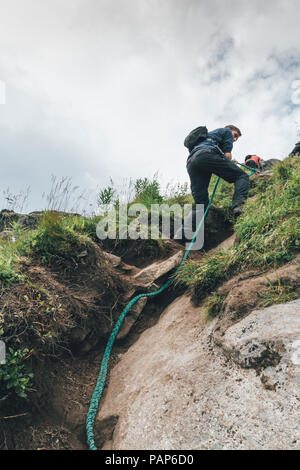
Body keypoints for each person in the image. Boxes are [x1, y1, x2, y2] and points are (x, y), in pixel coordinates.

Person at [186, 125, 249, 217]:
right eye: (235, 135)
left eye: (236, 138)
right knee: (241, 176)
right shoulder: (226, 131)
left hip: (191, 162)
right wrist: (230, 162)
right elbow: (227, 155)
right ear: (229, 129)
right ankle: (239, 206)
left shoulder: (208, 137)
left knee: (201, 204)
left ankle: (186, 230)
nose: (234, 139)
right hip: (205, 155)